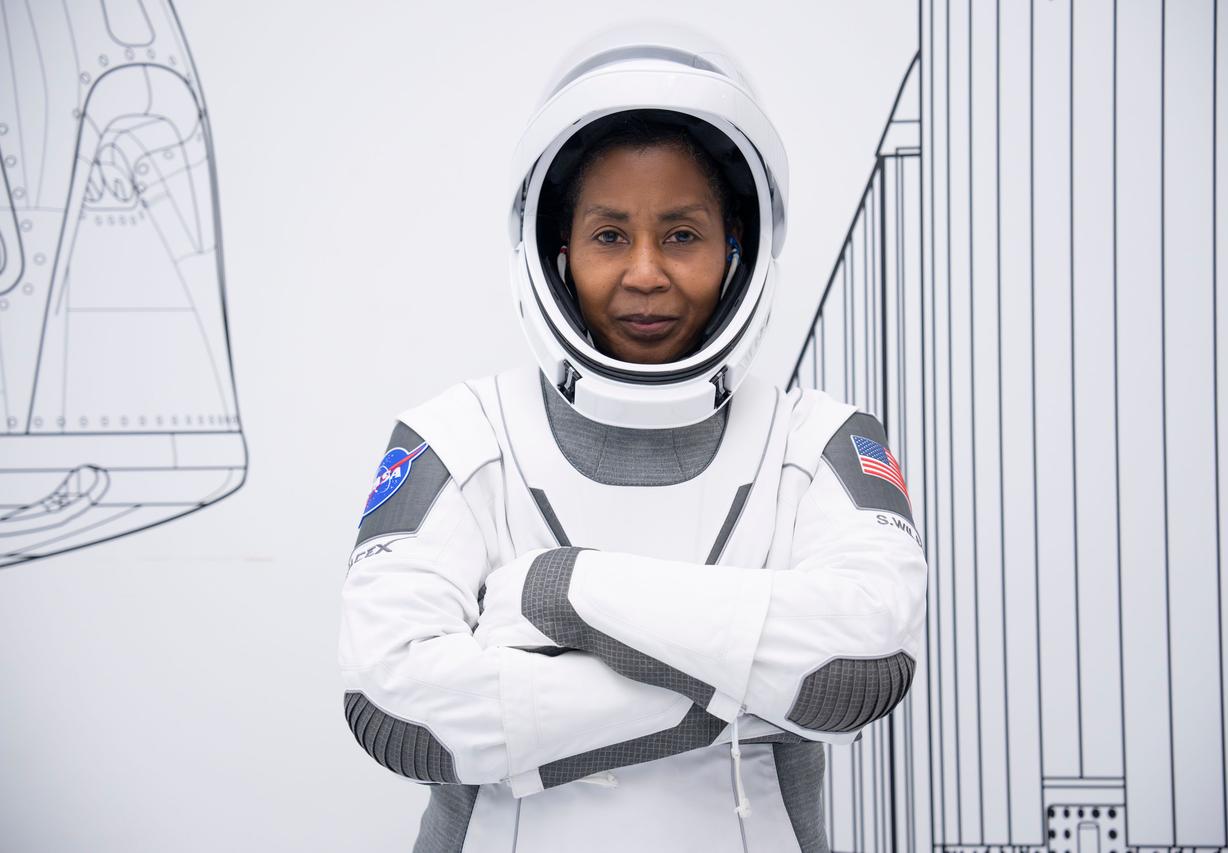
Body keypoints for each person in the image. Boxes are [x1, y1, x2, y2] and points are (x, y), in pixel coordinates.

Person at [339, 28, 927, 853]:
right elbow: (397, 706)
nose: (645, 272)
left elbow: (860, 667)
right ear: (558, 254)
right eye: (610, 235)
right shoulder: (458, 437)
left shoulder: (819, 440)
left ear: (737, 252)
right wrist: (752, 689)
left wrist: (560, 592)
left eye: (681, 234)